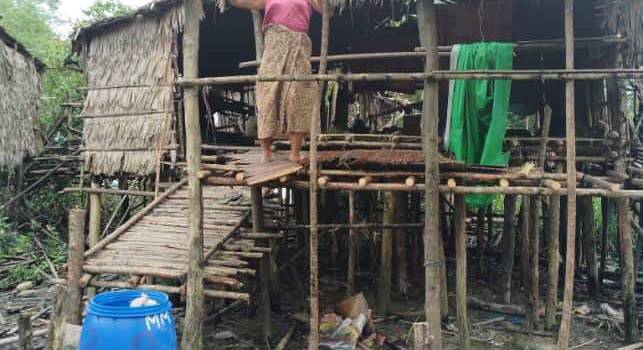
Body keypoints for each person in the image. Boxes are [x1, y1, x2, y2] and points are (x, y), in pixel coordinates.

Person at [229, 0, 324, 163]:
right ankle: (266, 152)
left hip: (299, 46)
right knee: (268, 93)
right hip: (274, 44)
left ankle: (295, 152)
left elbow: (326, 10)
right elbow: (242, 2)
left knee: (298, 95)